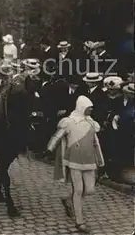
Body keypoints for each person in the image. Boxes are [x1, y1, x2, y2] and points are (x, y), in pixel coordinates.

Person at [45, 96, 104, 233]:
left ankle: (67, 199)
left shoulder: (91, 123)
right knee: (78, 190)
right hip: (73, 161)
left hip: (89, 161)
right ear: (82, 107)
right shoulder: (70, 122)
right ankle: (79, 221)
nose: (91, 109)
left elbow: (96, 143)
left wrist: (100, 160)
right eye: (89, 107)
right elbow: (57, 136)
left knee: (89, 190)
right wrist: (49, 148)